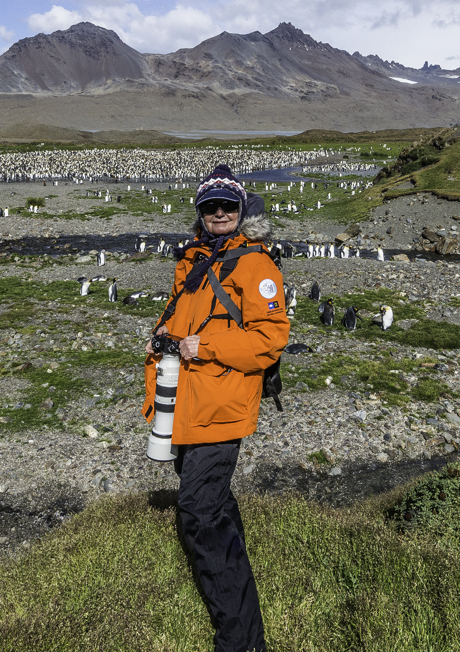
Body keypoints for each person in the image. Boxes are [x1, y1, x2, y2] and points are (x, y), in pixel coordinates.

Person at [141, 164, 289, 652]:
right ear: (200, 212)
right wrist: (164, 336)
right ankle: (241, 600)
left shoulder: (256, 264)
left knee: (198, 512)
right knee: (214, 506)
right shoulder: (195, 258)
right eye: (211, 206)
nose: (220, 213)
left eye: (228, 205)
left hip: (221, 406)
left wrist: (204, 346)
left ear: (242, 209)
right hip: (187, 402)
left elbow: (269, 340)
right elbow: (183, 319)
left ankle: (240, 641)